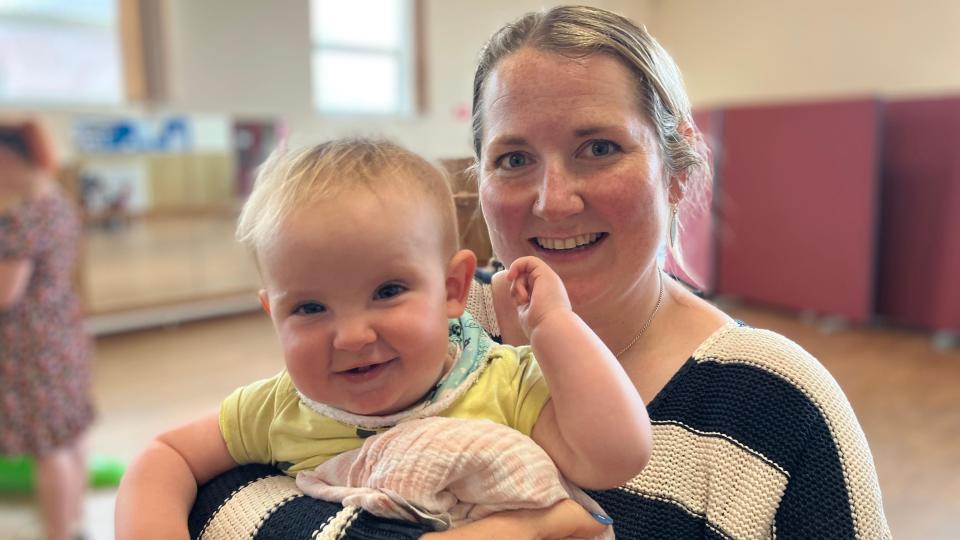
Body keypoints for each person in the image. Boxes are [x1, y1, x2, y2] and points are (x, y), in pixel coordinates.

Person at [187, 5, 891, 538]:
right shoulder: (412, 330)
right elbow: (220, 499)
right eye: (514, 158)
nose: (554, 200)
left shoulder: (776, 403)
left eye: (598, 147)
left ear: (675, 173)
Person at [115, 138, 651, 538]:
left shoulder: (500, 382)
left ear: (452, 289)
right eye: (308, 307)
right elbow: (167, 456)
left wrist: (555, 325)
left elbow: (616, 455)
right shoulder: (281, 407)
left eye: (387, 290)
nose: (350, 336)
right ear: (272, 314)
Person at [0, 120, 95, 540]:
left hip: (31, 345)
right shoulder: (55, 199)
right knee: (68, 435)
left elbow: (5, 293)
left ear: (9, 158)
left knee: (48, 447)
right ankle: (73, 523)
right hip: (62, 331)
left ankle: (57, 534)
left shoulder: (20, 215)